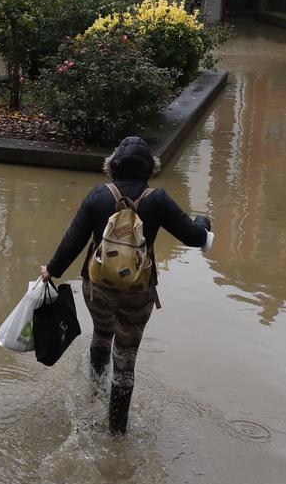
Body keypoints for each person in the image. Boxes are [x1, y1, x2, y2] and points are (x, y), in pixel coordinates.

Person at [40, 136, 212, 435]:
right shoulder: (157, 199)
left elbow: (73, 241)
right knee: (125, 357)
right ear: (149, 169)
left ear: (112, 166)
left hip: (96, 290)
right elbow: (195, 238)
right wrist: (203, 222)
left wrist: (51, 271)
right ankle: (117, 433)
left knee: (102, 335)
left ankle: (94, 394)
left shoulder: (98, 195)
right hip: (137, 293)